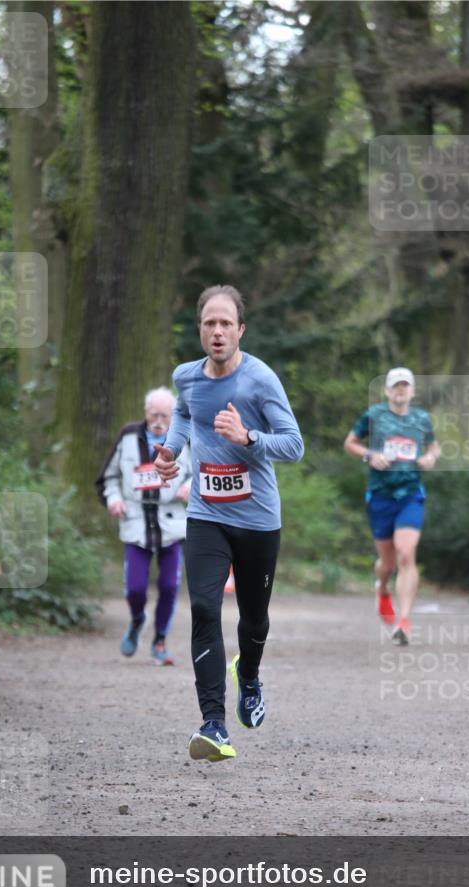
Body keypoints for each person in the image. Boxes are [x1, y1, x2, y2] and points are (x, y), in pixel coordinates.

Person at [154, 284, 304, 762]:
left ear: (240, 330)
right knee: (202, 608)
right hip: (206, 515)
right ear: (200, 329)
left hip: (258, 520)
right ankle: (213, 724)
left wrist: (249, 437)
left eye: (225, 324)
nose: (217, 332)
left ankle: (251, 676)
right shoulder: (186, 377)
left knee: (254, 618)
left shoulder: (259, 380)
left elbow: (294, 445)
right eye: (208, 324)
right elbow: (184, 414)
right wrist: (171, 451)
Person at [344, 367, 440, 645]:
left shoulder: (421, 419)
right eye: (396, 386)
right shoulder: (374, 416)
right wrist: (369, 455)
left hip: (411, 494)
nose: (400, 390)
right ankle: (382, 587)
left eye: (405, 386)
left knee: (406, 554)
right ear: (387, 390)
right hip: (381, 495)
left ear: (412, 391)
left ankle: (405, 621)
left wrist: (430, 458)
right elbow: (350, 443)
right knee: (387, 562)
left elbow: (434, 447)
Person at [95, 387, 192, 664]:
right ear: (146, 413)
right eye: (154, 414)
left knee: (169, 586)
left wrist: (188, 486)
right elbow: (110, 477)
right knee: (135, 588)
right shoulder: (128, 436)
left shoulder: (184, 437)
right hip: (136, 522)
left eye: (165, 415)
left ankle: (160, 640)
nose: (159, 420)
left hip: (171, 523)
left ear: (173, 416)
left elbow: (200, 472)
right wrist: (114, 499)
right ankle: (138, 619)